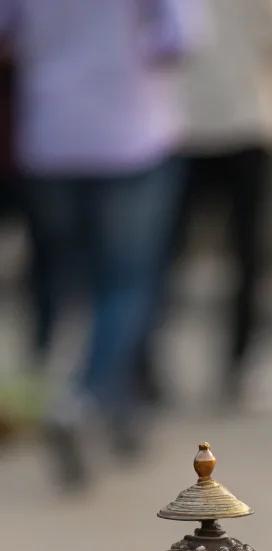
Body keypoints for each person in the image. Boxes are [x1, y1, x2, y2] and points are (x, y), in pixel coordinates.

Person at [0, 0, 196, 485]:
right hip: (130, 139)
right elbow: (180, 38)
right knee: (126, 283)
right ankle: (85, 398)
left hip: (50, 137)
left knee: (55, 274)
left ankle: (43, 390)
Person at [177, 0, 272, 405]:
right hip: (251, 119)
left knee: (168, 253)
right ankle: (239, 367)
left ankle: (145, 367)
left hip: (188, 121)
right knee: (248, 253)